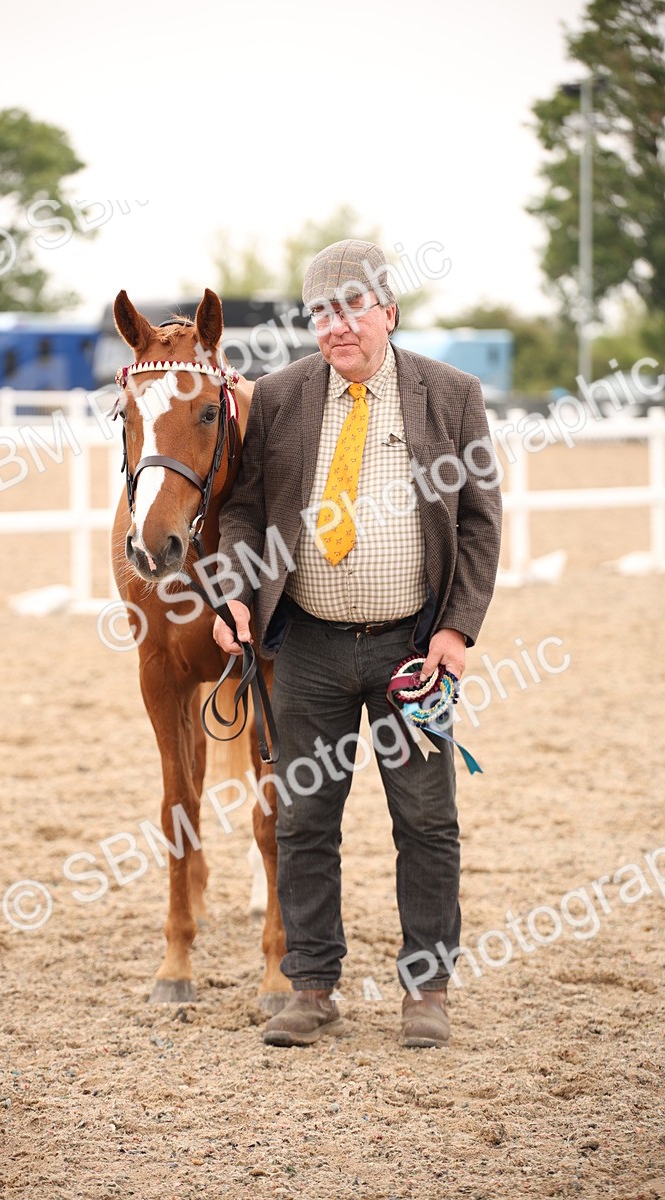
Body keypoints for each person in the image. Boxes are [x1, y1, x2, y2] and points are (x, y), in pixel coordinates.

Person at [212, 239, 502, 1048]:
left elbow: (480, 519)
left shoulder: (452, 394)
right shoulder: (276, 397)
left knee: (426, 819)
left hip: (413, 649)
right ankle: (310, 986)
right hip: (303, 647)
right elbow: (239, 509)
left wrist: (457, 626)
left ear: (388, 312)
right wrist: (233, 593)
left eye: (352, 310)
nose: (337, 328)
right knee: (305, 818)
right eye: (321, 314)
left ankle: (427, 992)